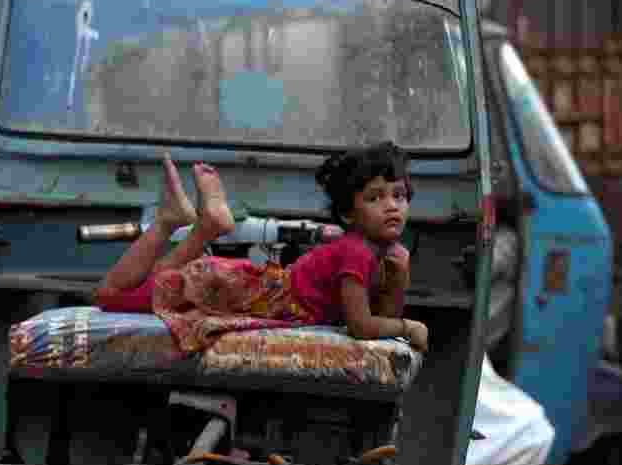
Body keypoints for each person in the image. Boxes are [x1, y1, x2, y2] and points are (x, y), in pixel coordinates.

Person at [92, 142, 428, 354]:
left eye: (398, 195)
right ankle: (172, 223)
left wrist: (400, 277)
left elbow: (382, 319)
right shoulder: (356, 251)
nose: (391, 206)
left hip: (238, 287)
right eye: (375, 197)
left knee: (136, 288)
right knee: (109, 295)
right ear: (347, 214)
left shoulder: (378, 253)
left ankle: (198, 227)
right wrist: (408, 328)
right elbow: (363, 326)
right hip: (232, 288)